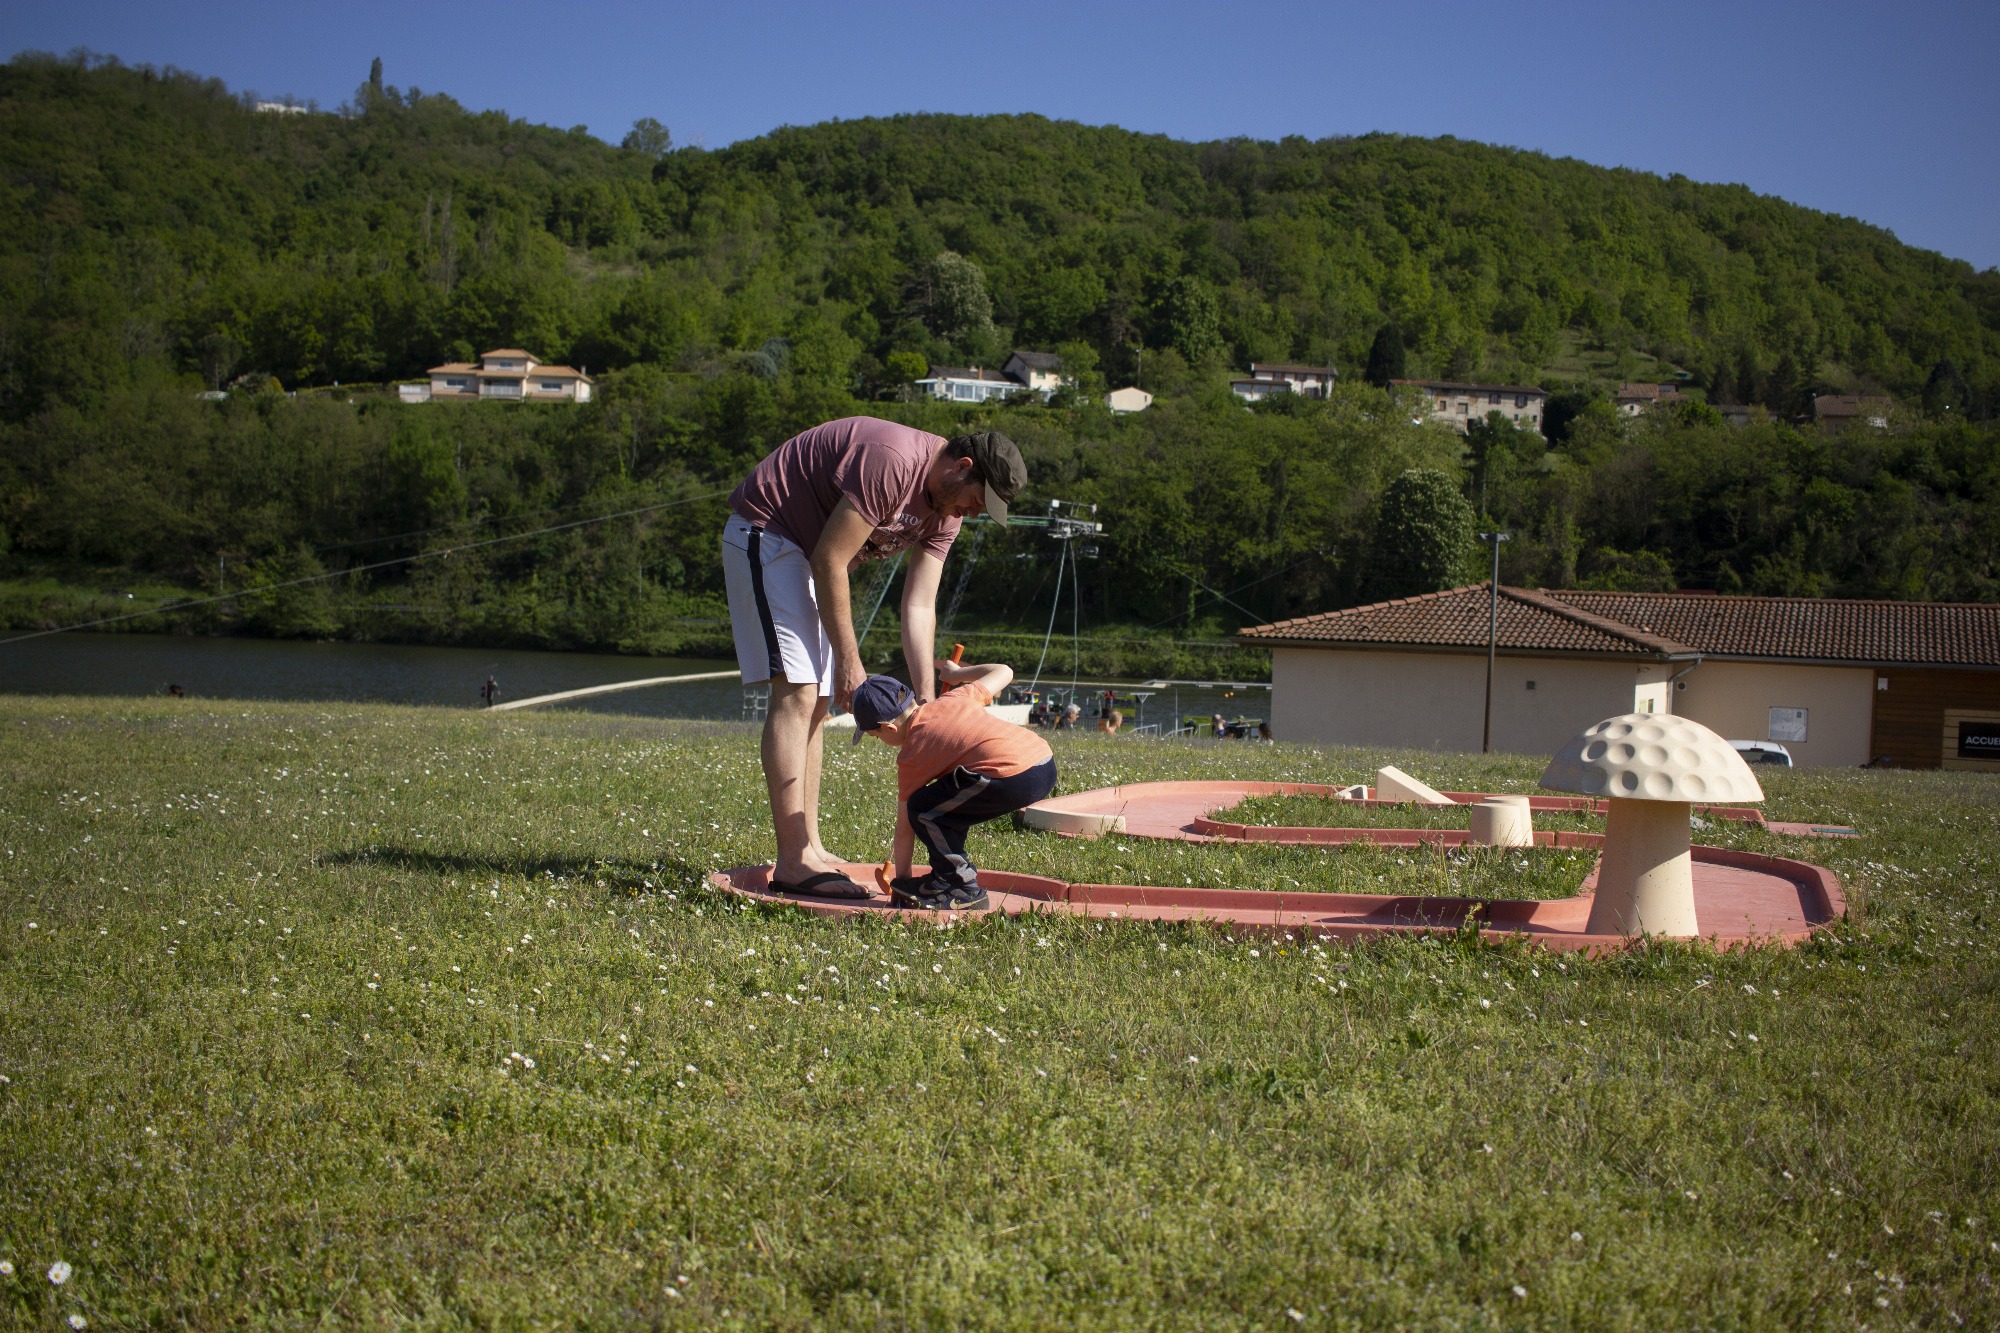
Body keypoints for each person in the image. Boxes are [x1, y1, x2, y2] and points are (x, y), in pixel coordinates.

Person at [721, 417, 1027, 898]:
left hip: (811, 554)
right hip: (770, 532)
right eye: (976, 500)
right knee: (799, 692)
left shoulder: (946, 514)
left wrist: (929, 704)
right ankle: (793, 862)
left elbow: (919, 605)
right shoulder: (893, 461)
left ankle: (810, 847)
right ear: (961, 468)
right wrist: (849, 660)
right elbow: (829, 558)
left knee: (819, 704)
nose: (972, 513)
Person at [851, 656, 1056, 911]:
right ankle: (945, 878)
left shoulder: (913, 753)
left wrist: (902, 882)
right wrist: (958, 674)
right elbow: (1004, 671)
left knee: (924, 810)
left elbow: (906, 826)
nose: (877, 740)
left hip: (1013, 776)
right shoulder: (955, 698)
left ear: (889, 728)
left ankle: (961, 886)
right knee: (944, 803)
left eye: (874, 736)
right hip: (1043, 762)